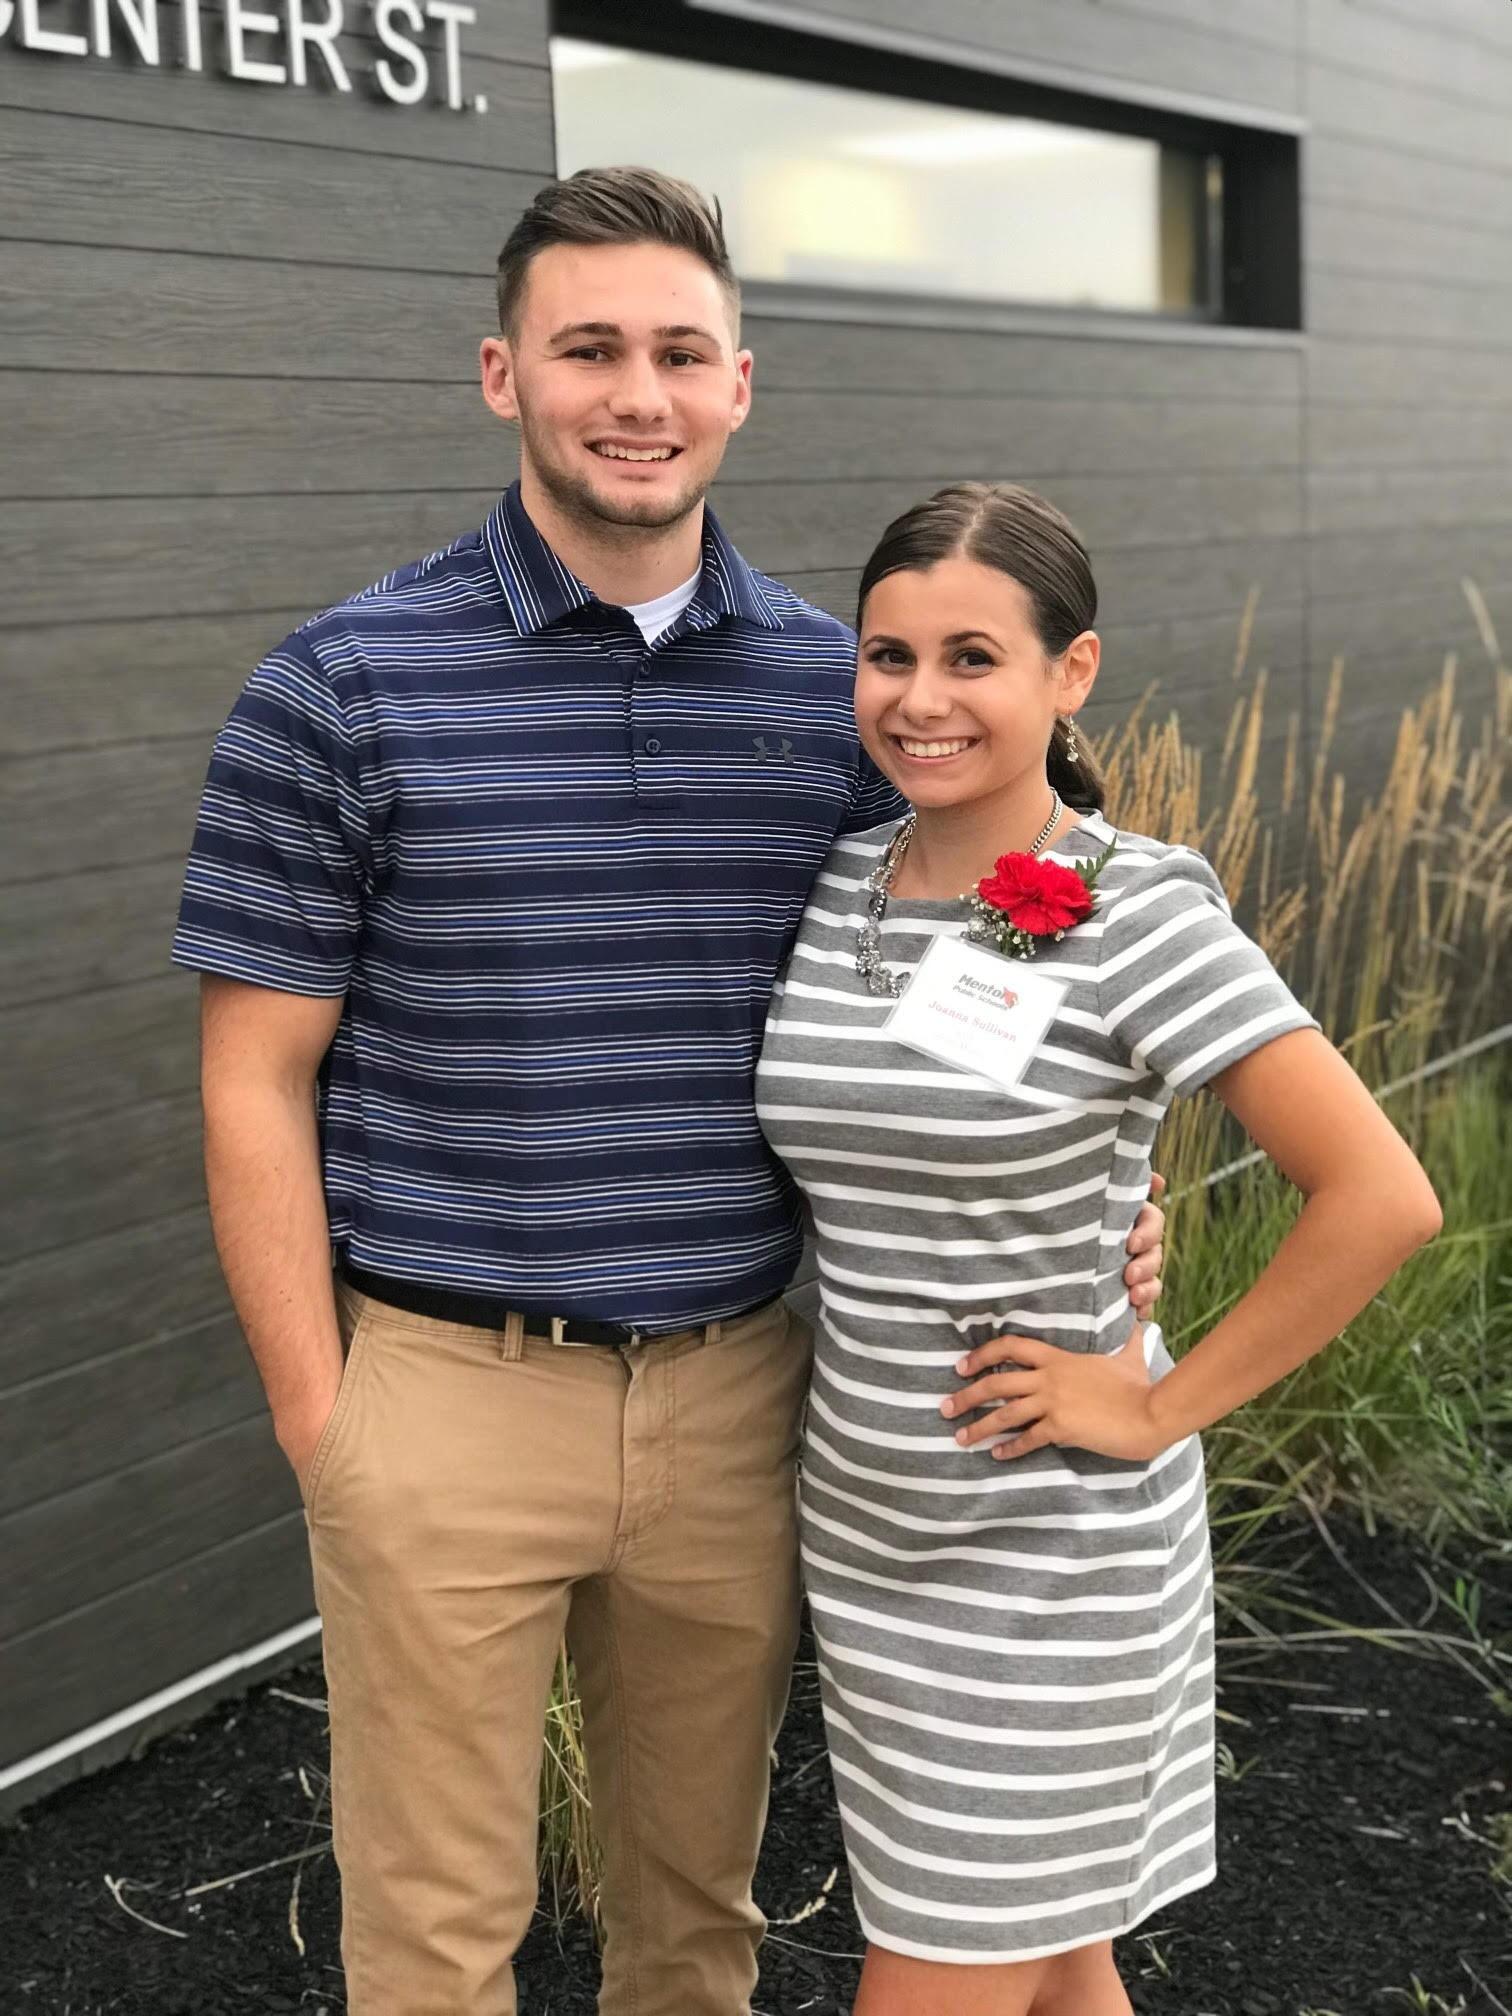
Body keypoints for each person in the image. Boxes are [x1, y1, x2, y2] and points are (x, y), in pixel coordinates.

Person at [172, 174, 1165, 2015]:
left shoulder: (841, 696)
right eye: (590, 350)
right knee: (434, 1947)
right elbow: (254, 1080)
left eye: (681, 354)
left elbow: (996, 980)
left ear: (739, 386)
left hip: (744, 1401)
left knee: (699, 1933)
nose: (639, 395)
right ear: (503, 375)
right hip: (447, 1396)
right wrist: (329, 1424)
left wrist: (1107, 1199)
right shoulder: (341, 690)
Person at [755, 481, 1443, 2016]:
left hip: (1050, 1554)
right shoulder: (844, 884)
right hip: (875, 1535)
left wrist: (1152, 1404)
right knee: (1062, 1971)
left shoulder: (1133, 909)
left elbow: (1379, 1194)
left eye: (972, 658)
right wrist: (1103, 1212)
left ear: (1072, 672)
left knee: (956, 1963)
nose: (920, 700)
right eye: (887, 656)